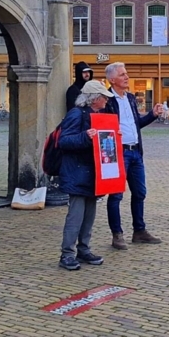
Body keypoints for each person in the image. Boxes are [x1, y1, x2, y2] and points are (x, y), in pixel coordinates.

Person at [103, 62, 163, 249]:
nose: (127, 77)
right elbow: (104, 127)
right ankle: (117, 234)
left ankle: (139, 230)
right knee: (116, 195)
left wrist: (152, 115)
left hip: (136, 151)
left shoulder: (130, 97)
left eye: (126, 73)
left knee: (140, 192)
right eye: (122, 75)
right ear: (112, 80)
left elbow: (136, 124)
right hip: (118, 152)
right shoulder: (107, 100)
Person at [56, 80, 113, 270]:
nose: (106, 100)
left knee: (89, 215)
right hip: (77, 173)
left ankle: (83, 249)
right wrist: (85, 137)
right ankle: (67, 254)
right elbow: (64, 141)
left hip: (91, 172)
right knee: (76, 215)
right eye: (104, 97)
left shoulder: (98, 115)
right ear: (94, 99)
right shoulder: (75, 114)